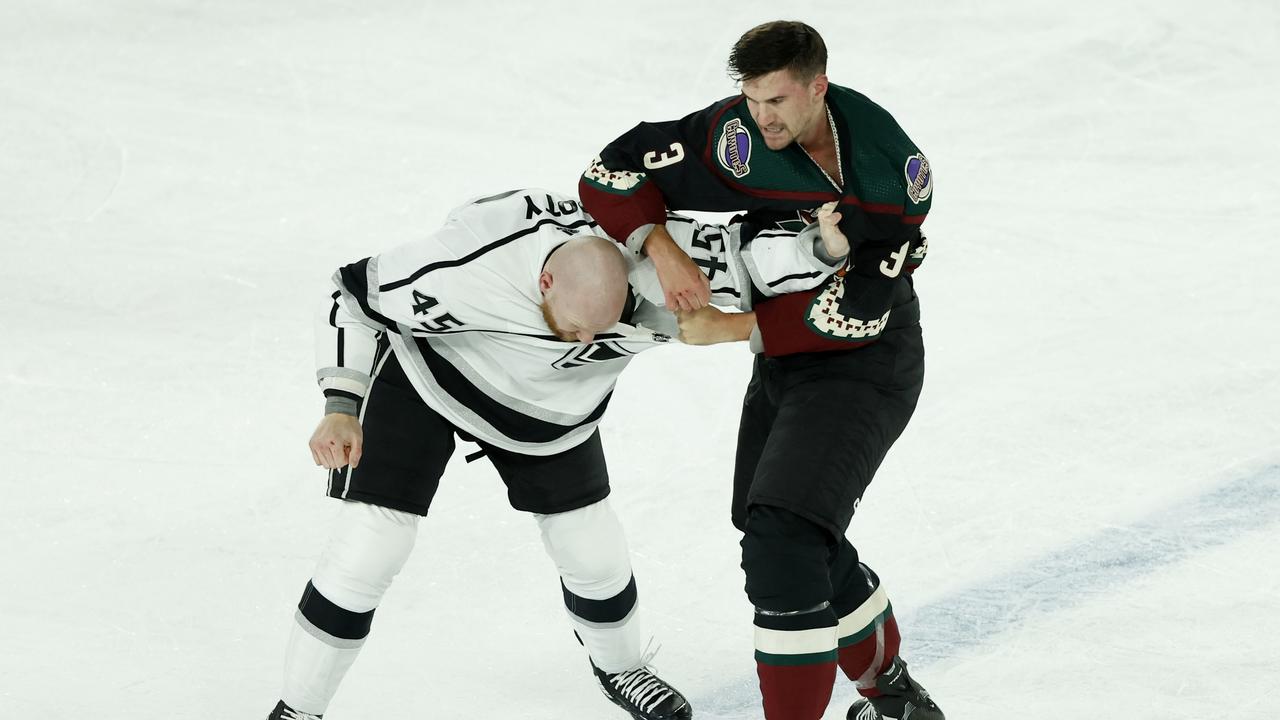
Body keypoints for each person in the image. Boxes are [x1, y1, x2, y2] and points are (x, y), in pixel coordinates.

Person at [266, 187, 844, 720]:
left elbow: (749, 258)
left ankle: (623, 668)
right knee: (371, 546)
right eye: (575, 328)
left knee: (593, 549)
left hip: (551, 408)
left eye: (602, 329)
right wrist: (341, 403)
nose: (588, 340)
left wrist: (822, 244)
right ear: (545, 282)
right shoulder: (471, 267)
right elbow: (348, 295)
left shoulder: (660, 264)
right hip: (429, 376)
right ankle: (297, 709)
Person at [579, 20, 943, 720]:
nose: (761, 117)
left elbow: (859, 316)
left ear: (818, 87)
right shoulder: (736, 139)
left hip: (867, 361)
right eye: (751, 98)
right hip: (785, 358)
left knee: (785, 538)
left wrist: (732, 327)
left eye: (776, 100)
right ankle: (894, 699)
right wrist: (658, 244)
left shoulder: (891, 175)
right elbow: (611, 173)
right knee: (780, 527)